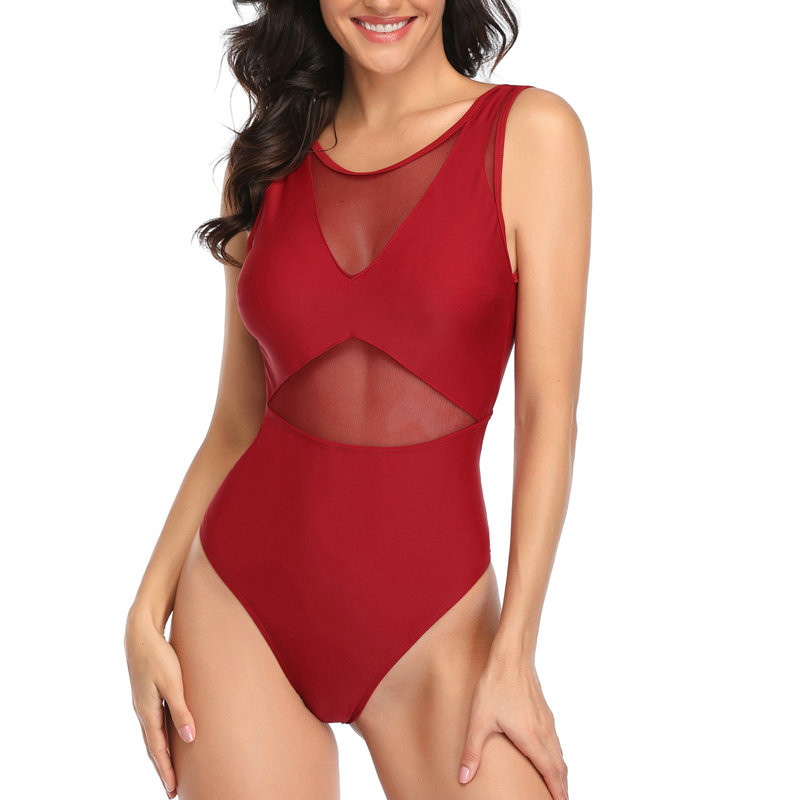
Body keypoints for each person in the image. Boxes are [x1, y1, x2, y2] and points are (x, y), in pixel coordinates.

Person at [124, 2, 591, 798]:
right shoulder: (267, 156)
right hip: (243, 610)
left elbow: (546, 414)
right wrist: (145, 606)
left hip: (437, 631)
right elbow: (236, 422)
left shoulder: (532, 136)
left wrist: (515, 652)